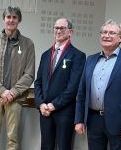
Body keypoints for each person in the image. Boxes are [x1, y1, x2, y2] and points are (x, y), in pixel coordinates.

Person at [74, 19, 121, 150]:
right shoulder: (90, 59)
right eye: (104, 32)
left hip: (120, 122)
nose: (107, 35)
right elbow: (81, 93)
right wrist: (79, 119)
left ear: (120, 38)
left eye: (112, 33)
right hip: (93, 120)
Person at [0, 6, 35, 150]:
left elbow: (29, 74)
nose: (11, 20)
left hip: (15, 98)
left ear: (19, 20)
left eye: (14, 17)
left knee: (13, 138)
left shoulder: (28, 44)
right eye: (8, 17)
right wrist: (2, 91)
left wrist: (12, 92)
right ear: (4, 19)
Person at [34, 18, 86, 150]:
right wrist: (41, 104)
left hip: (64, 111)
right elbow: (38, 81)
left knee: (63, 147)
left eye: (62, 28)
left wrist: (54, 105)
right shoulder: (46, 55)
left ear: (70, 32)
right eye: (56, 28)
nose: (58, 31)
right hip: (45, 111)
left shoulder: (78, 55)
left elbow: (73, 87)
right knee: (46, 146)